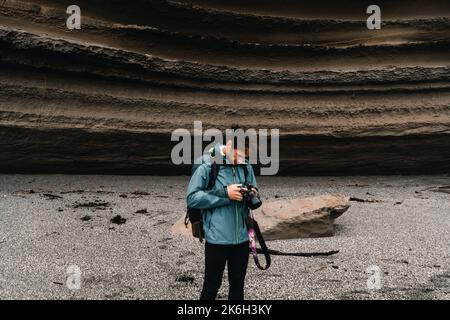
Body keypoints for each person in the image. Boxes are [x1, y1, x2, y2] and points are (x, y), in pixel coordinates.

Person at [186, 140, 258, 300]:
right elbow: (192, 198)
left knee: (238, 285)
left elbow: (254, 190)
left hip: (241, 239)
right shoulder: (208, 166)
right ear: (230, 144)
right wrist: (226, 194)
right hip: (217, 239)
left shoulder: (246, 167)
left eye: (244, 155)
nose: (240, 158)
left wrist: (252, 193)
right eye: (238, 154)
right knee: (211, 285)